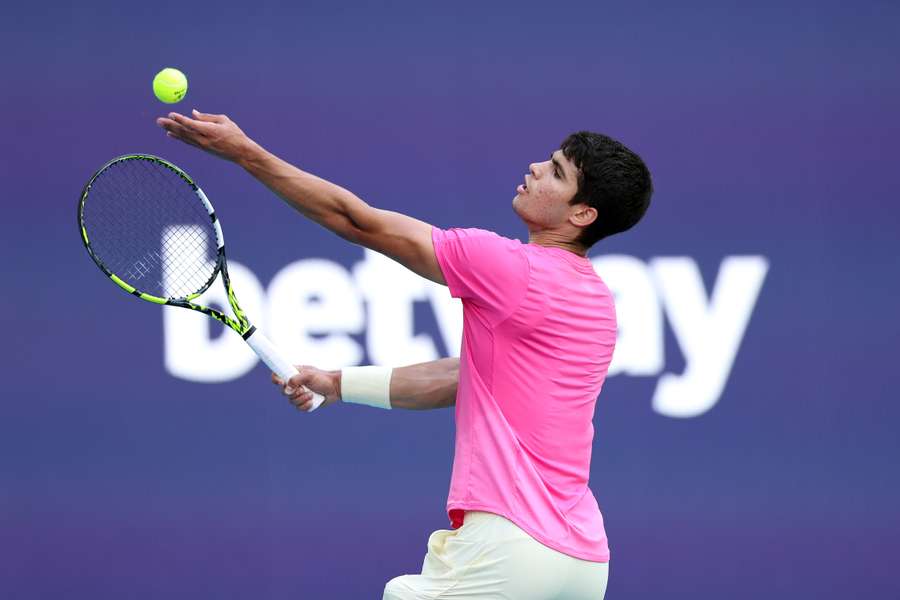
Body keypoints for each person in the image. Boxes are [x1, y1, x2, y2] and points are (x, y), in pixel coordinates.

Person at [157, 109, 653, 599]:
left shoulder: (509, 267)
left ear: (581, 215)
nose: (536, 169)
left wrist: (246, 153)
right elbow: (469, 378)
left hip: (508, 550)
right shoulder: (597, 303)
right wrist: (338, 383)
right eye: (548, 160)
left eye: (557, 173)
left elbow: (356, 221)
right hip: (583, 562)